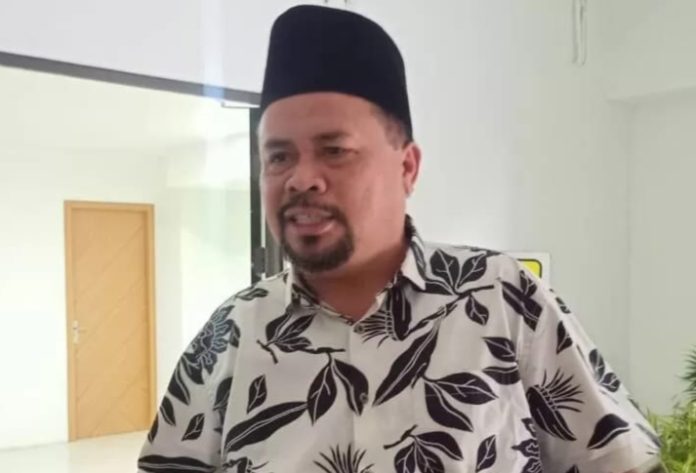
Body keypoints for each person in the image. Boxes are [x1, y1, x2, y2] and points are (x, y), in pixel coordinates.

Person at [138, 5, 662, 473]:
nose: (301, 179)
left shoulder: (502, 300)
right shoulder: (232, 333)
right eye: (278, 156)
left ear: (407, 167)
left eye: (334, 150)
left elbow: (620, 461)